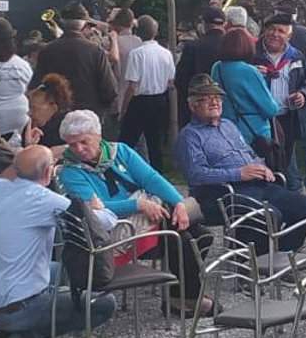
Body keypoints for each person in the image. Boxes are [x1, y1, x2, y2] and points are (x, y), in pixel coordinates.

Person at [55, 110, 209, 314]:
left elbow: (151, 178)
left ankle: (181, 297)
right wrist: (137, 205)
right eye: (72, 145)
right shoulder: (70, 171)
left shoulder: (120, 151)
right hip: (117, 229)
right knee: (184, 238)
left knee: (202, 235)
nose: (79, 149)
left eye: (84, 142)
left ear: (98, 136)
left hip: (148, 218)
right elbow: (93, 210)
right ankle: (188, 298)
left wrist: (178, 202)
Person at [0, 144, 118, 338]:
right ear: (48, 172)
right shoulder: (42, 199)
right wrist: (98, 207)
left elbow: (18, 167)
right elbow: (104, 221)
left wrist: (44, 152)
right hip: (21, 309)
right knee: (105, 304)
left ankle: (7, 332)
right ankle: (27, 335)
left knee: (61, 271)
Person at [176, 75, 306, 257]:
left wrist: (261, 166)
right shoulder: (190, 135)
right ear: (193, 106)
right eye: (206, 99)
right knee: (268, 215)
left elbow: (250, 154)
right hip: (220, 193)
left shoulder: (229, 125)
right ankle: (251, 263)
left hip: (256, 185)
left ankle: (280, 255)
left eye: (217, 98)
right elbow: (196, 175)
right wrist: (238, 173)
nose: (214, 102)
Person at [258, 13, 306, 191]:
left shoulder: (296, 56)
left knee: (286, 156)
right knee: (267, 159)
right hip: (262, 118)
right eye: (271, 29)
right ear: (265, 31)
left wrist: (302, 95)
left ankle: (293, 191)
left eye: (281, 31)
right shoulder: (254, 55)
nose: (275, 34)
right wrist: (252, 73)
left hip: (287, 115)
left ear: (289, 36)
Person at [33, 2, 118, 120]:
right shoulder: (95, 51)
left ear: (62, 22)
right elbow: (110, 90)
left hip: (55, 117)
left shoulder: (46, 50)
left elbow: (36, 86)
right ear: (83, 25)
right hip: (89, 118)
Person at [211, 28, 280, 161]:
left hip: (225, 129)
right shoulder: (249, 71)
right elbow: (270, 109)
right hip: (253, 133)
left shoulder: (217, 68)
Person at [117, 15, 175, 164]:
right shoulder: (166, 53)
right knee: (155, 143)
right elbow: (170, 82)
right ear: (156, 32)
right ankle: (157, 171)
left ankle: (120, 169)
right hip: (160, 99)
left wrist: (124, 109)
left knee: (126, 141)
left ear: (137, 33)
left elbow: (132, 86)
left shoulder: (136, 54)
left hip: (140, 101)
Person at [174, 6, 229, 124]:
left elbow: (180, 80)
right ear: (224, 24)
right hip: (227, 109)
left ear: (204, 24)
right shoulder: (233, 47)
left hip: (198, 109)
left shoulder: (193, 47)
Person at [25, 75, 73, 153]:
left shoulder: (69, 129)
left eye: (34, 108)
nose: (29, 113)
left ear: (54, 108)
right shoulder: (30, 128)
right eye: (29, 108)